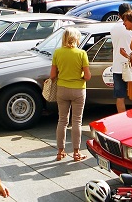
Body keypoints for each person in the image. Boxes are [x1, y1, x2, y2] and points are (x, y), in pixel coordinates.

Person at [48, 27, 91, 162]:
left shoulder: (57, 53)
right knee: (77, 121)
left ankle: (60, 152)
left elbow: (53, 75)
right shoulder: (82, 53)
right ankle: (76, 153)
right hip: (78, 90)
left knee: (62, 121)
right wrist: (81, 75)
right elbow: (88, 76)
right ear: (76, 38)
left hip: (62, 89)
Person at [110, 3, 132, 113]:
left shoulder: (113, 28)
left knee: (120, 97)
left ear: (119, 15)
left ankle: (122, 122)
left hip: (117, 66)